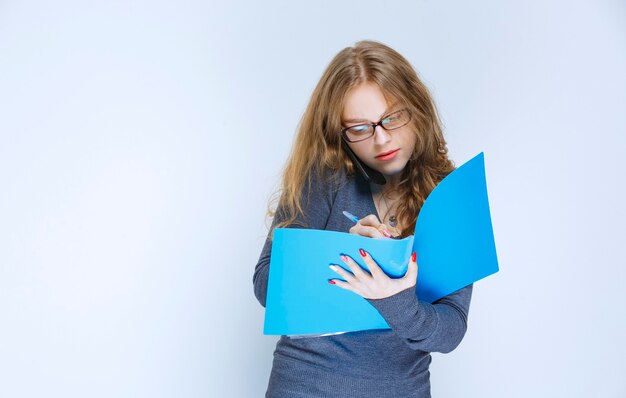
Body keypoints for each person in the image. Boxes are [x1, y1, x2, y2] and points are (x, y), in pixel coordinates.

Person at [252, 40, 473, 398]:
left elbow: (450, 333)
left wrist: (394, 297)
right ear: (341, 135)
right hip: (304, 385)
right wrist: (343, 252)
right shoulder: (325, 176)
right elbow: (265, 284)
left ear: (417, 109)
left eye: (393, 117)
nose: (381, 139)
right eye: (359, 128)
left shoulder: (452, 197)